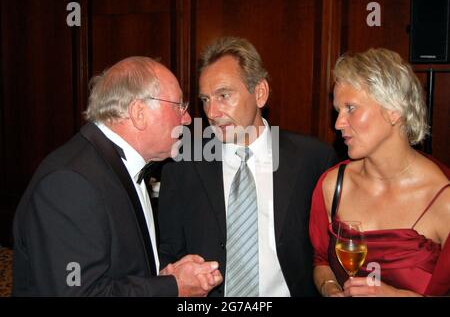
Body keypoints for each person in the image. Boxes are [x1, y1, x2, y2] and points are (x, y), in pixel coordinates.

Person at [12, 56, 222, 296]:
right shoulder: (70, 183)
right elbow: (82, 293)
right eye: (178, 107)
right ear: (138, 112)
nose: (187, 119)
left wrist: (163, 276)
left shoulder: (119, 165)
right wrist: (172, 286)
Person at [158, 37, 337, 297]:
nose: (212, 112)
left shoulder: (313, 159)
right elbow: (169, 253)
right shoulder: (182, 163)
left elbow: (327, 253)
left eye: (223, 96)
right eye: (205, 99)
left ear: (260, 93)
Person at [309, 48, 450, 297]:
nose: (338, 123)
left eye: (351, 108)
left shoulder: (444, 199)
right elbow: (321, 262)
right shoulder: (333, 185)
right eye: (338, 110)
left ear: (393, 110)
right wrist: (330, 288)